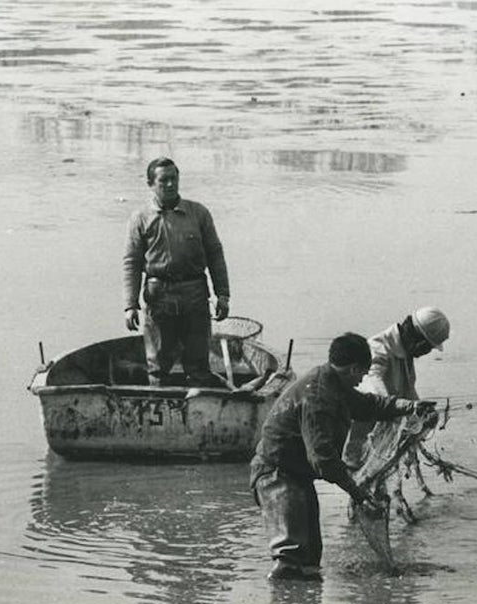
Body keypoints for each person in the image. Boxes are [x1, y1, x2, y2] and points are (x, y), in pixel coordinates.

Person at [250, 333, 436, 580]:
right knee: (290, 559)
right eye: (362, 373)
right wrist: (356, 491)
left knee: (310, 559)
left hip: (296, 476)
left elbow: (368, 405)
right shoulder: (317, 396)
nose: (362, 380)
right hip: (277, 477)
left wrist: (409, 406)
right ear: (352, 369)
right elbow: (323, 459)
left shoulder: (333, 383)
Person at [123, 157, 230, 387]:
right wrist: (130, 305)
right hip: (159, 296)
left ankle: (200, 413)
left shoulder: (198, 213)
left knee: (199, 364)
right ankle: (158, 410)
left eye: (174, 178)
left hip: (195, 294)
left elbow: (215, 255)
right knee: (158, 365)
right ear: (150, 184)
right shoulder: (140, 218)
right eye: (164, 180)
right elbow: (131, 262)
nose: (170, 184)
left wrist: (223, 295)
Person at [344, 306, 451, 468]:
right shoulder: (377, 347)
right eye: (428, 348)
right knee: (356, 474)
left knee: (378, 478)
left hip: (381, 435)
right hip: (362, 431)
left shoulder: (404, 353)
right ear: (420, 342)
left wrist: (422, 415)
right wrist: (395, 407)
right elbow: (372, 380)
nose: (426, 353)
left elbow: (409, 394)